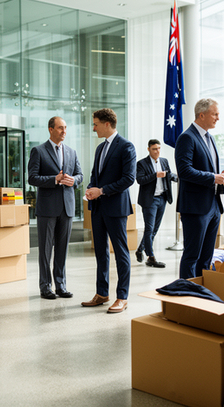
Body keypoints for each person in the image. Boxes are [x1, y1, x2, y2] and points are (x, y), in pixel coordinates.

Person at [82, 108, 136, 314]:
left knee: (120, 252)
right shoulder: (100, 148)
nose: (93, 128)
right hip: (98, 207)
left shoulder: (126, 146)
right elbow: (95, 175)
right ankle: (102, 293)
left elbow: (128, 179)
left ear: (106, 124)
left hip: (116, 208)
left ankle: (122, 297)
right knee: (100, 252)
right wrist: (91, 189)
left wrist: (102, 191)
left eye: (95, 124)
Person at [175, 98, 224, 279]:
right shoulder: (187, 137)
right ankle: (187, 290)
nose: (218, 118)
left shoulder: (210, 138)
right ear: (202, 115)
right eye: (215, 114)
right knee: (192, 255)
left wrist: (222, 174)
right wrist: (213, 177)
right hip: (195, 207)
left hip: (213, 205)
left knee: (206, 257)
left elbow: (208, 169)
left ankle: (201, 290)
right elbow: (184, 171)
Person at [28, 116, 83, 300]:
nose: (64, 131)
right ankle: (45, 287)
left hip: (67, 207)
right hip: (47, 208)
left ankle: (60, 285)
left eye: (65, 128)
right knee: (45, 250)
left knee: (62, 249)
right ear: (50, 129)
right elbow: (32, 178)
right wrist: (54, 179)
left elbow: (80, 174)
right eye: (60, 128)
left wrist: (74, 180)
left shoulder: (71, 152)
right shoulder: (38, 151)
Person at [135, 139, 178, 268]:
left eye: (159, 148)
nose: (157, 151)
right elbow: (140, 180)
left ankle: (140, 249)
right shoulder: (142, 163)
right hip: (150, 200)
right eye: (154, 149)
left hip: (162, 199)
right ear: (148, 149)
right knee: (149, 229)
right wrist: (155, 175)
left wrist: (179, 178)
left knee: (154, 229)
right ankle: (151, 257)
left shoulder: (164, 161)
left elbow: (168, 175)